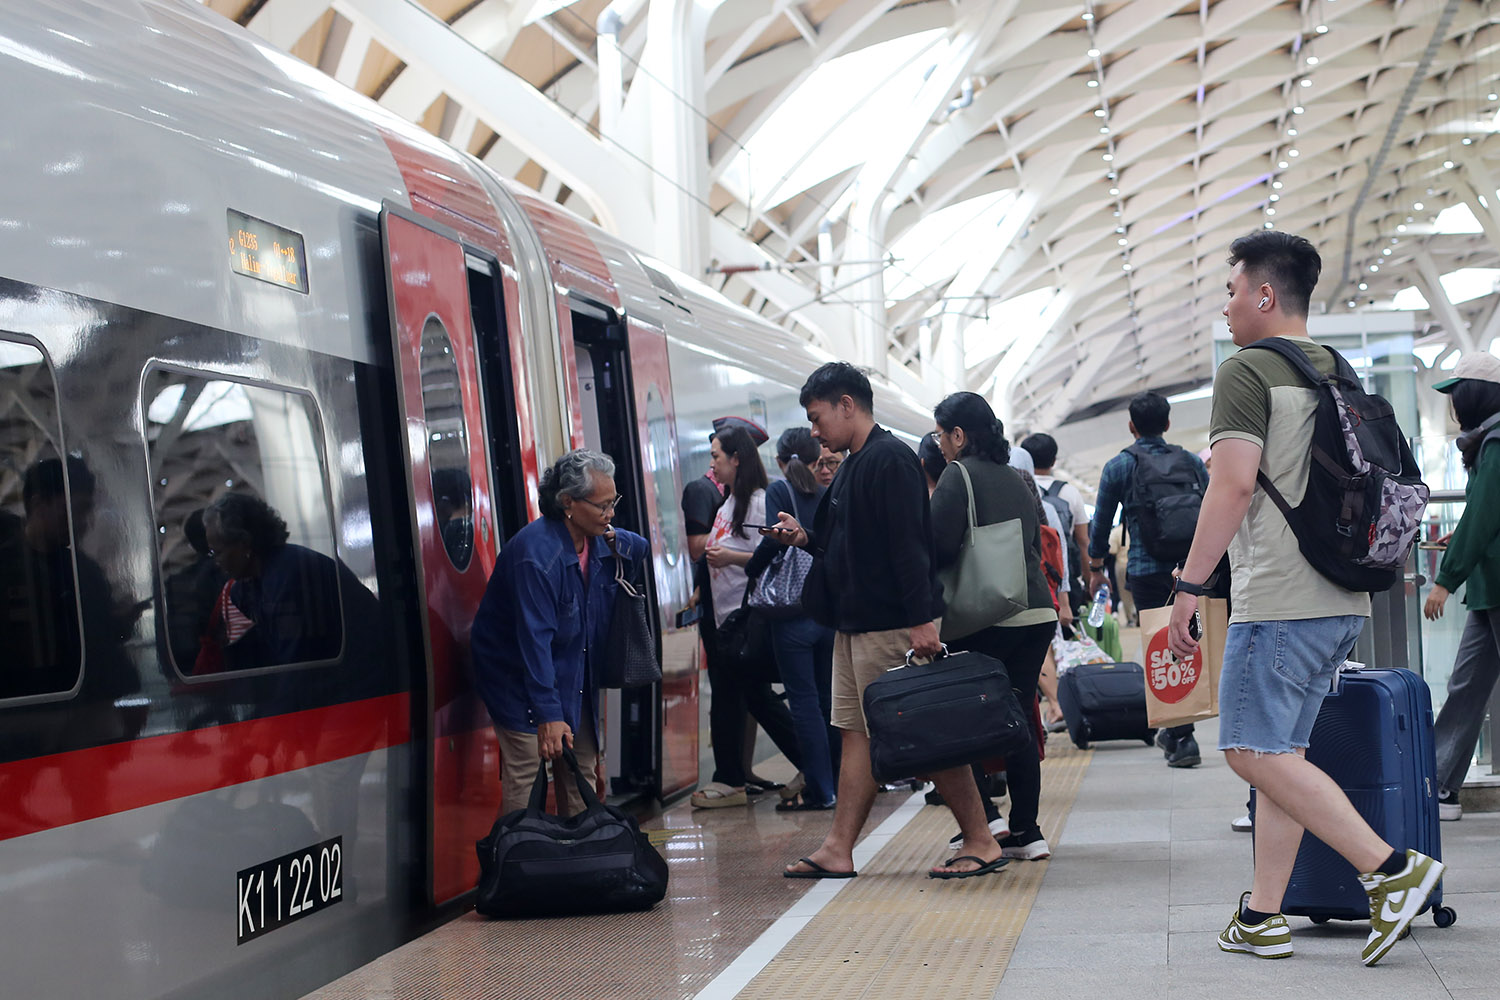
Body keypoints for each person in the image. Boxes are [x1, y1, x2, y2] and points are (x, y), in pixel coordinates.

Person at [1168, 230, 1443, 966]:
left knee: (1250, 751)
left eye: (1231, 291)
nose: (1225, 308)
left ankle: (1391, 870)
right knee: (1281, 751)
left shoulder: (1248, 371)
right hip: (1341, 593)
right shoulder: (1337, 369)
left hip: (1282, 596)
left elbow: (1230, 485)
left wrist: (1189, 586)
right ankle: (1262, 915)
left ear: (1264, 294)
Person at [772, 362, 1004, 879]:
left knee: (925, 730)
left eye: (817, 417)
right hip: (855, 624)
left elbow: (909, 547)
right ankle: (838, 847)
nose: (814, 431)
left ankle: (981, 838)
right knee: (857, 733)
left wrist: (922, 620)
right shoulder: (856, 464)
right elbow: (849, 543)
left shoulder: (890, 460)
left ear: (847, 405)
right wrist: (804, 539)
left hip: (891, 623)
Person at [471, 449, 650, 817]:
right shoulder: (536, 556)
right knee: (527, 769)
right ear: (567, 502)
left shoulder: (598, 539)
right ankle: (521, 861)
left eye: (612, 502)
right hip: (516, 678)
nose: (610, 513)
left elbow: (641, 548)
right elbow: (534, 643)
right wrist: (548, 715)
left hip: (574, 673)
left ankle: (584, 856)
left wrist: (614, 535)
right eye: (602, 506)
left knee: (581, 765)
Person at [931, 393, 1059, 861]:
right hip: (1035, 611)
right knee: (1019, 718)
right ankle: (1028, 831)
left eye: (941, 434)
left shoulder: (957, 474)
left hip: (988, 615)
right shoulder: (1016, 479)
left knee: (960, 722)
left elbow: (940, 546)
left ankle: (988, 819)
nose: (939, 443)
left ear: (959, 435)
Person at [1087, 391, 1207, 767]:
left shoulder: (1119, 466)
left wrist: (1095, 569)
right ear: (1169, 424)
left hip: (1144, 569)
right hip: (1188, 570)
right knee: (1187, 643)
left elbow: (1101, 522)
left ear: (1131, 426)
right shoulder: (1189, 461)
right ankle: (1178, 731)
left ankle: (1181, 734)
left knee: (1161, 646)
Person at [692, 425, 803, 808]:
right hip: (727, 619)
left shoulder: (757, 502)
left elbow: (773, 552)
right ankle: (812, 762)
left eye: (716, 457)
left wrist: (729, 558)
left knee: (734, 695)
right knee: (751, 695)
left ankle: (730, 779)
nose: (713, 464)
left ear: (737, 458)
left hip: (746, 618)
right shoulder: (730, 501)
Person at [1423, 352, 1500, 822]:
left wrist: (1445, 581)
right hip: (1491, 589)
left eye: (1457, 394)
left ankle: (1438, 783)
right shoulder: (1487, 440)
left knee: (1467, 684)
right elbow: (1485, 513)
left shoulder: (1495, 441)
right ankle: (1439, 784)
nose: (1453, 405)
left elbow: (1487, 512)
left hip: (1493, 586)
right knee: (1466, 685)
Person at [746, 428, 838, 811]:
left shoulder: (780, 492)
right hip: (827, 612)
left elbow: (774, 538)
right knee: (826, 701)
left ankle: (821, 790)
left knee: (802, 703)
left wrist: (752, 568)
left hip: (791, 616)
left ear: (782, 460)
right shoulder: (826, 493)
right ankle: (837, 782)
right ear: (817, 458)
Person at [1022, 432, 1091, 615]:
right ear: (1053, 461)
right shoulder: (1071, 492)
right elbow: (1083, 542)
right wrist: (1088, 579)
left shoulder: (1017, 488)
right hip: (1062, 578)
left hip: (1029, 578)